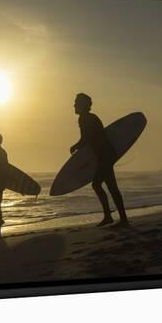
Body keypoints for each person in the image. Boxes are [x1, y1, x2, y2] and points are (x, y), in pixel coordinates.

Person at [70, 93, 129, 227]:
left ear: (83, 105)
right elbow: (89, 138)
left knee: (99, 185)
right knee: (109, 186)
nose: (74, 105)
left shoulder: (85, 118)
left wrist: (75, 146)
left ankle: (114, 217)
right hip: (105, 154)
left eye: (76, 102)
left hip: (104, 155)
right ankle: (117, 217)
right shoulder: (88, 117)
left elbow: (86, 138)